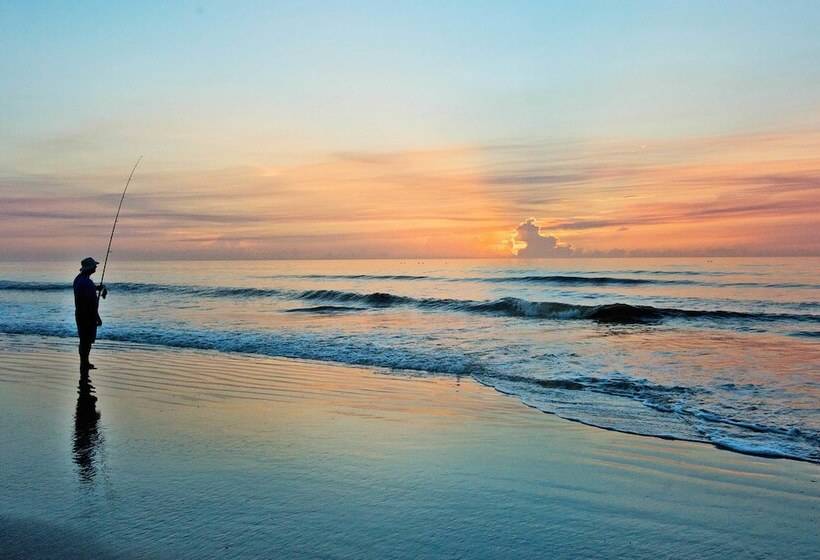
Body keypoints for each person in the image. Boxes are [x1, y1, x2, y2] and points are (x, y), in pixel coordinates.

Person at [73, 257, 106, 373]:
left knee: (83, 340)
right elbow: (91, 303)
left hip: (80, 314)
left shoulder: (79, 280)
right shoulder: (87, 282)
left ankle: (84, 362)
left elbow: (87, 293)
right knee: (86, 341)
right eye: (94, 266)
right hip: (87, 315)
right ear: (89, 268)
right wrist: (97, 317)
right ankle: (85, 362)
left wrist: (97, 288)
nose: (96, 267)